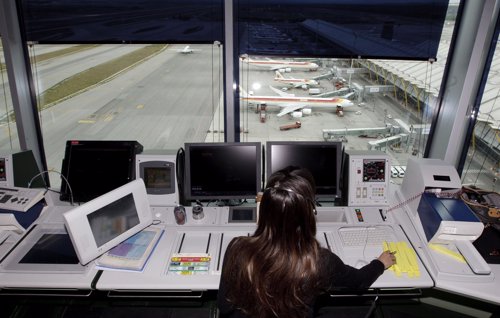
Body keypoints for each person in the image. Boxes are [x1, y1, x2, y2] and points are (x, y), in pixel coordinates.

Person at [217, 166, 395, 318]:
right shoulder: (320, 261)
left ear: (264, 210)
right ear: (309, 214)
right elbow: (359, 282)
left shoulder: (236, 248)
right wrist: (380, 263)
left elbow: (224, 308)